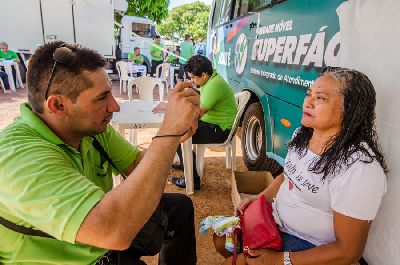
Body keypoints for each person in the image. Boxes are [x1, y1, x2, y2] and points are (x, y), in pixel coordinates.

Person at [0, 41, 200, 265]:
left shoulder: (89, 128)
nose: (115, 106)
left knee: (178, 208)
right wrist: (168, 134)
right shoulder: (19, 158)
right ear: (57, 106)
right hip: (83, 248)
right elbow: (114, 231)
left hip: (101, 246)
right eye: (101, 97)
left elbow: (136, 165)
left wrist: (171, 138)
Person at [213, 67, 388, 265]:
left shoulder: (359, 169)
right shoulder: (302, 136)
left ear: (350, 110)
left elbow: (348, 252)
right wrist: (259, 199)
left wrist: (280, 260)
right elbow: (287, 177)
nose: (308, 102)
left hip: (310, 245)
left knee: (237, 262)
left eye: (320, 98)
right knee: (222, 239)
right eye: (308, 94)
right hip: (276, 222)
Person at [153, 55, 237, 190]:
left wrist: (169, 106)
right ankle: (185, 162)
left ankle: (193, 180)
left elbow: (197, 113)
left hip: (220, 130)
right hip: (213, 124)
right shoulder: (210, 79)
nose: (191, 80)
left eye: (193, 77)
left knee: (178, 135)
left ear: (203, 74)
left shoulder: (214, 85)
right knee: (181, 130)